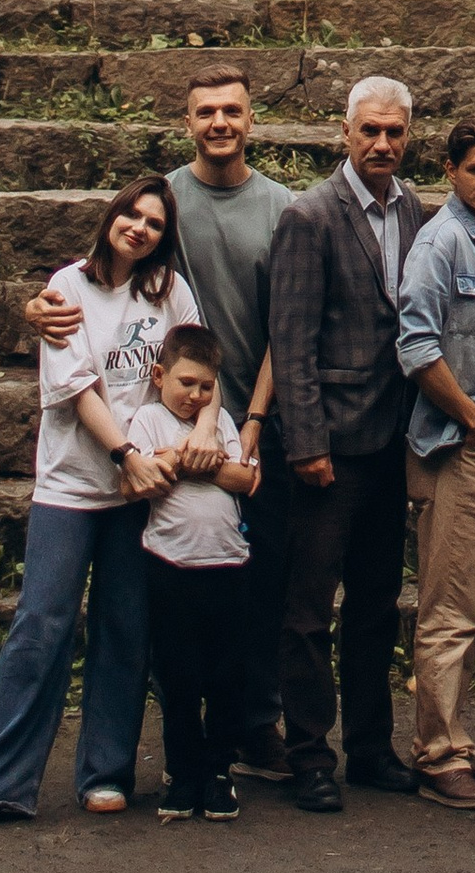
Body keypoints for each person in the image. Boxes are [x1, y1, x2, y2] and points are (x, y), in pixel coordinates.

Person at [24, 64, 292, 783]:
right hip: (135, 450)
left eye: (232, 111)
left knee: (214, 601)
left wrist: (238, 422)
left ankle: (223, 737)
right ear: (188, 121)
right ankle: (18, 777)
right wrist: (37, 307)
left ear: (250, 118)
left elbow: (257, 334)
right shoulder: (161, 202)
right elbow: (88, 310)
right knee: (99, 617)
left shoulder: (273, 212)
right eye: (206, 111)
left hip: (223, 435)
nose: (220, 123)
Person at [0, 181, 198, 834]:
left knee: (124, 627)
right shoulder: (67, 288)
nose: (139, 228)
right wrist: (126, 455)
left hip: (141, 491)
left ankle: (106, 771)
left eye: (154, 222)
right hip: (74, 486)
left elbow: (195, 371)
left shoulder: (169, 291)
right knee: (43, 623)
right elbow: (79, 389)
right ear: (111, 218)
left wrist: (175, 449)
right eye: (131, 215)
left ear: (164, 236)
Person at [264, 77, 425, 814]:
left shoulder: (415, 209)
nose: (383, 144)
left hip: (392, 440)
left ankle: (369, 746)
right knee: (307, 610)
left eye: (394, 132)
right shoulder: (310, 216)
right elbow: (290, 342)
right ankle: (308, 754)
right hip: (328, 446)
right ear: (346, 132)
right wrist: (304, 443)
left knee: (376, 603)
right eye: (371, 132)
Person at [395, 114, 475, 812]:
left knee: (467, 598)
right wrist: (473, 421)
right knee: (448, 605)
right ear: (450, 172)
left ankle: (455, 738)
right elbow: (415, 346)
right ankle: (438, 754)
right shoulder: (440, 242)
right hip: (454, 448)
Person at [122, 320, 259, 822]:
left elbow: (246, 479)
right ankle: (182, 773)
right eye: (186, 384)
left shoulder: (222, 425)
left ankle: (219, 771)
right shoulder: (147, 422)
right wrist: (184, 455)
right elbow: (143, 477)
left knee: (227, 676)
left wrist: (191, 458)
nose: (196, 395)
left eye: (206, 387)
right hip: (171, 568)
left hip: (229, 565)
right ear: (159, 376)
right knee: (177, 676)